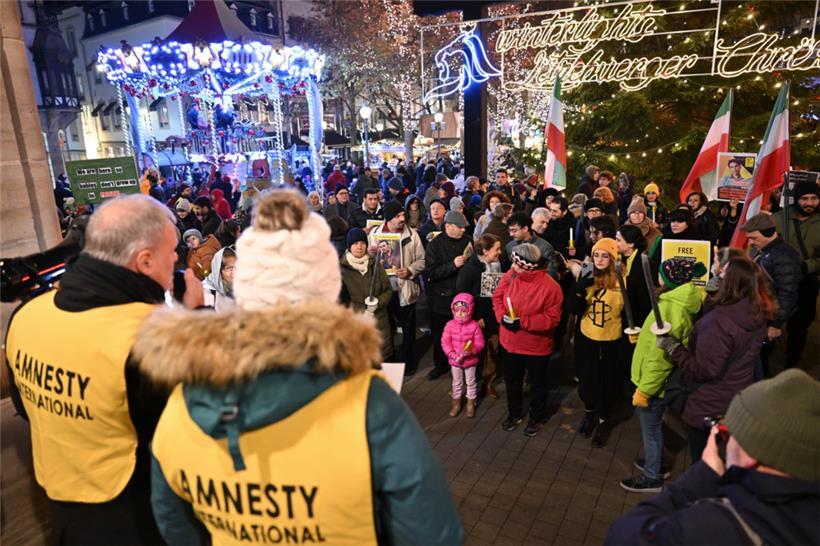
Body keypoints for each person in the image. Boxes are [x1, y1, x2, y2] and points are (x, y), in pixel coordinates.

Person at [137, 190, 463, 545]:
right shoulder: (368, 404)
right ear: (327, 290)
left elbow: (173, 523)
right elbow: (432, 534)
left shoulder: (183, 403)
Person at [4, 194, 203, 545]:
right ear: (145, 261)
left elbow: (25, 406)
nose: (176, 259)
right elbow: (197, 427)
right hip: (137, 516)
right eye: (172, 251)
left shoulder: (27, 315)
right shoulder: (152, 335)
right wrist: (195, 321)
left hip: (63, 510)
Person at [607, 369, 820, 546]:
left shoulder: (714, 527)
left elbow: (622, 536)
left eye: (726, 432)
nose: (718, 436)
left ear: (751, 455)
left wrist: (702, 476)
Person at [655, 255, 774, 461]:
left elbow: (704, 369)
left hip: (708, 401)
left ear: (733, 283)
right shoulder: (755, 309)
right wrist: (713, 297)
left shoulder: (718, 324)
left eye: (723, 274)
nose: (717, 274)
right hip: (735, 392)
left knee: (704, 461)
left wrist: (673, 347)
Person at [620, 257, 705, 493]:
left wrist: (645, 390)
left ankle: (652, 475)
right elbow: (657, 341)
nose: (657, 275)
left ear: (668, 279)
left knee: (651, 428)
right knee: (653, 426)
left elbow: (660, 360)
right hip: (653, 378)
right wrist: (643, 337)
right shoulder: (674, 300)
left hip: (654, 384)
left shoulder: (670, 310)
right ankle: (656, 461)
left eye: (661, 273)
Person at [492, 244, 563, 437]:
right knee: (512, 382)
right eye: (513, 263)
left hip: (535, 347)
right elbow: (497, 297)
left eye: (518, 265)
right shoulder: (511, 275)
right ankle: (514, 413)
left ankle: (536, 417)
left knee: (537, 385)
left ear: (530, 266)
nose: (513, 267)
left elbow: (551, 320)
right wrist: (501, 317)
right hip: (509, 343)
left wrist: (523, 322)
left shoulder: (551, 287)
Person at [568, 238, 627, 448]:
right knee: (587, 380)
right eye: (596, 255)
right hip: (587, 337)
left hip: (612, 339)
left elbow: (628, 311)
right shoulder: (586, 273)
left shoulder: (623, 278)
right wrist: (578, 289)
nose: (600, 260)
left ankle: (603, 420)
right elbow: (572, 308)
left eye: (605, 256)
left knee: (608, 383)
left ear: (613, 258)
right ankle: (590, 413)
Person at [741, 213, 802, 379]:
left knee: (760, 359)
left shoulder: (786, 256)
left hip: (768, 317)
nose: (750, 242)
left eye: (753, 238)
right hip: (755, 313)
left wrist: (776, 324)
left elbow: (788, 293)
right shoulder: (759, 250)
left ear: (768, 233)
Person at [370, 200, 426, 375]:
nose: (402, 218)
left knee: (408, 328)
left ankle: (409, 362)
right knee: (386, 328)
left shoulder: (412, 235)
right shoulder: (375, 235)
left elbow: (422, 260)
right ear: (389, 218)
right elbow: (368, 263)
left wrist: (410, 270)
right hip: (383, 291)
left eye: (403, 215)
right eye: (398, 216)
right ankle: (390, 361)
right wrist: (370, 254)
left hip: (405, 289)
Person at [772, 180, 819, 370]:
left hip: (806, 282)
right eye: (804, 198)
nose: (809, 203)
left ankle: (792, 364)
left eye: (814, 198)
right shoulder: (778, 219)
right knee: (771, 321)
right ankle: (763, 365)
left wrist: (806, 266)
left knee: (799, 326)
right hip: (778, 282)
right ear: (795, 199)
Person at [425, 210, 472, 380]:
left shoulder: (467, 241)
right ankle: (440, 365)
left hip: (463, 297)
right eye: (460, 227)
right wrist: (453, 265)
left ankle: (461, 365)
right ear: (449, 226)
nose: (463, 230)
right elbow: (430, 272)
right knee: (441, 335)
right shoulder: (435, 245)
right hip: (441, 299)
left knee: (462, 336)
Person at [456, 233, 504, 400]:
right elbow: (462, 297)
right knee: (474, 354)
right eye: (497, 249)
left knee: (492, 352)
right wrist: (476, 317)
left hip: (494, 318)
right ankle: (471, 387)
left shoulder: (497, 265)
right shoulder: (469, 270)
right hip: (476, 321)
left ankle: (488, 383)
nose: (500, 252)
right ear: (485, 251)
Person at [340, 228, 393, 360]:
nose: (359, 247)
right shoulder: (341, 270)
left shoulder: (375, 265)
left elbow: (388, 290)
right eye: (355, 243)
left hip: (379, 322)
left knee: (383, 361)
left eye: (363, 243)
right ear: (349, 246)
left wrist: (377, 303)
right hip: (356, 324)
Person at [442, 293, 485, 418]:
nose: (460, 313)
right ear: (453, 310)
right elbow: (445, 342)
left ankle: (470, 404)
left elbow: (480, 343)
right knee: (456, 383)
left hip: (470, 361)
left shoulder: (474, 326)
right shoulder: (449, 325)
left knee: (471, 382)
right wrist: (452, 355)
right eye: (457, 311)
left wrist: (471, 351)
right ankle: (456, 404)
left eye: (463, 311)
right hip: (455, 361)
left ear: (470, 311)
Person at [616, 225, 654, 325]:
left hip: (638, 315)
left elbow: (645, 295)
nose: (615, 243)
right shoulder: (617, 258)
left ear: (631, 243)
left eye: (618, 240)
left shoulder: (644, 263)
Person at [203, 246, 236, 312]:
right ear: (218, 270)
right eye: (229, 268)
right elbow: (208, 315)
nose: (234, 272)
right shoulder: (208, 290)